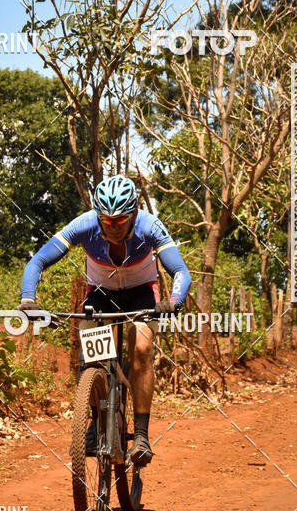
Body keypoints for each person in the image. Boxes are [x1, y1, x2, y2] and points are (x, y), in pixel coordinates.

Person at [19, 174, 192, 465]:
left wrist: (174, 302)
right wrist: (27, 300)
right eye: (106, 221)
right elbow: (38, 261)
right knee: (93, 359)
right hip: (100, 294)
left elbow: (181, 272)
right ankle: (97, 420)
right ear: (98, 216)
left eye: (120, 221)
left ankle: (141, 435)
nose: (112, 227)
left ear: (134, 214)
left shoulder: (150, 226)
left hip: (141, 294)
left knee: (141, 349)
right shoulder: (84, 225)